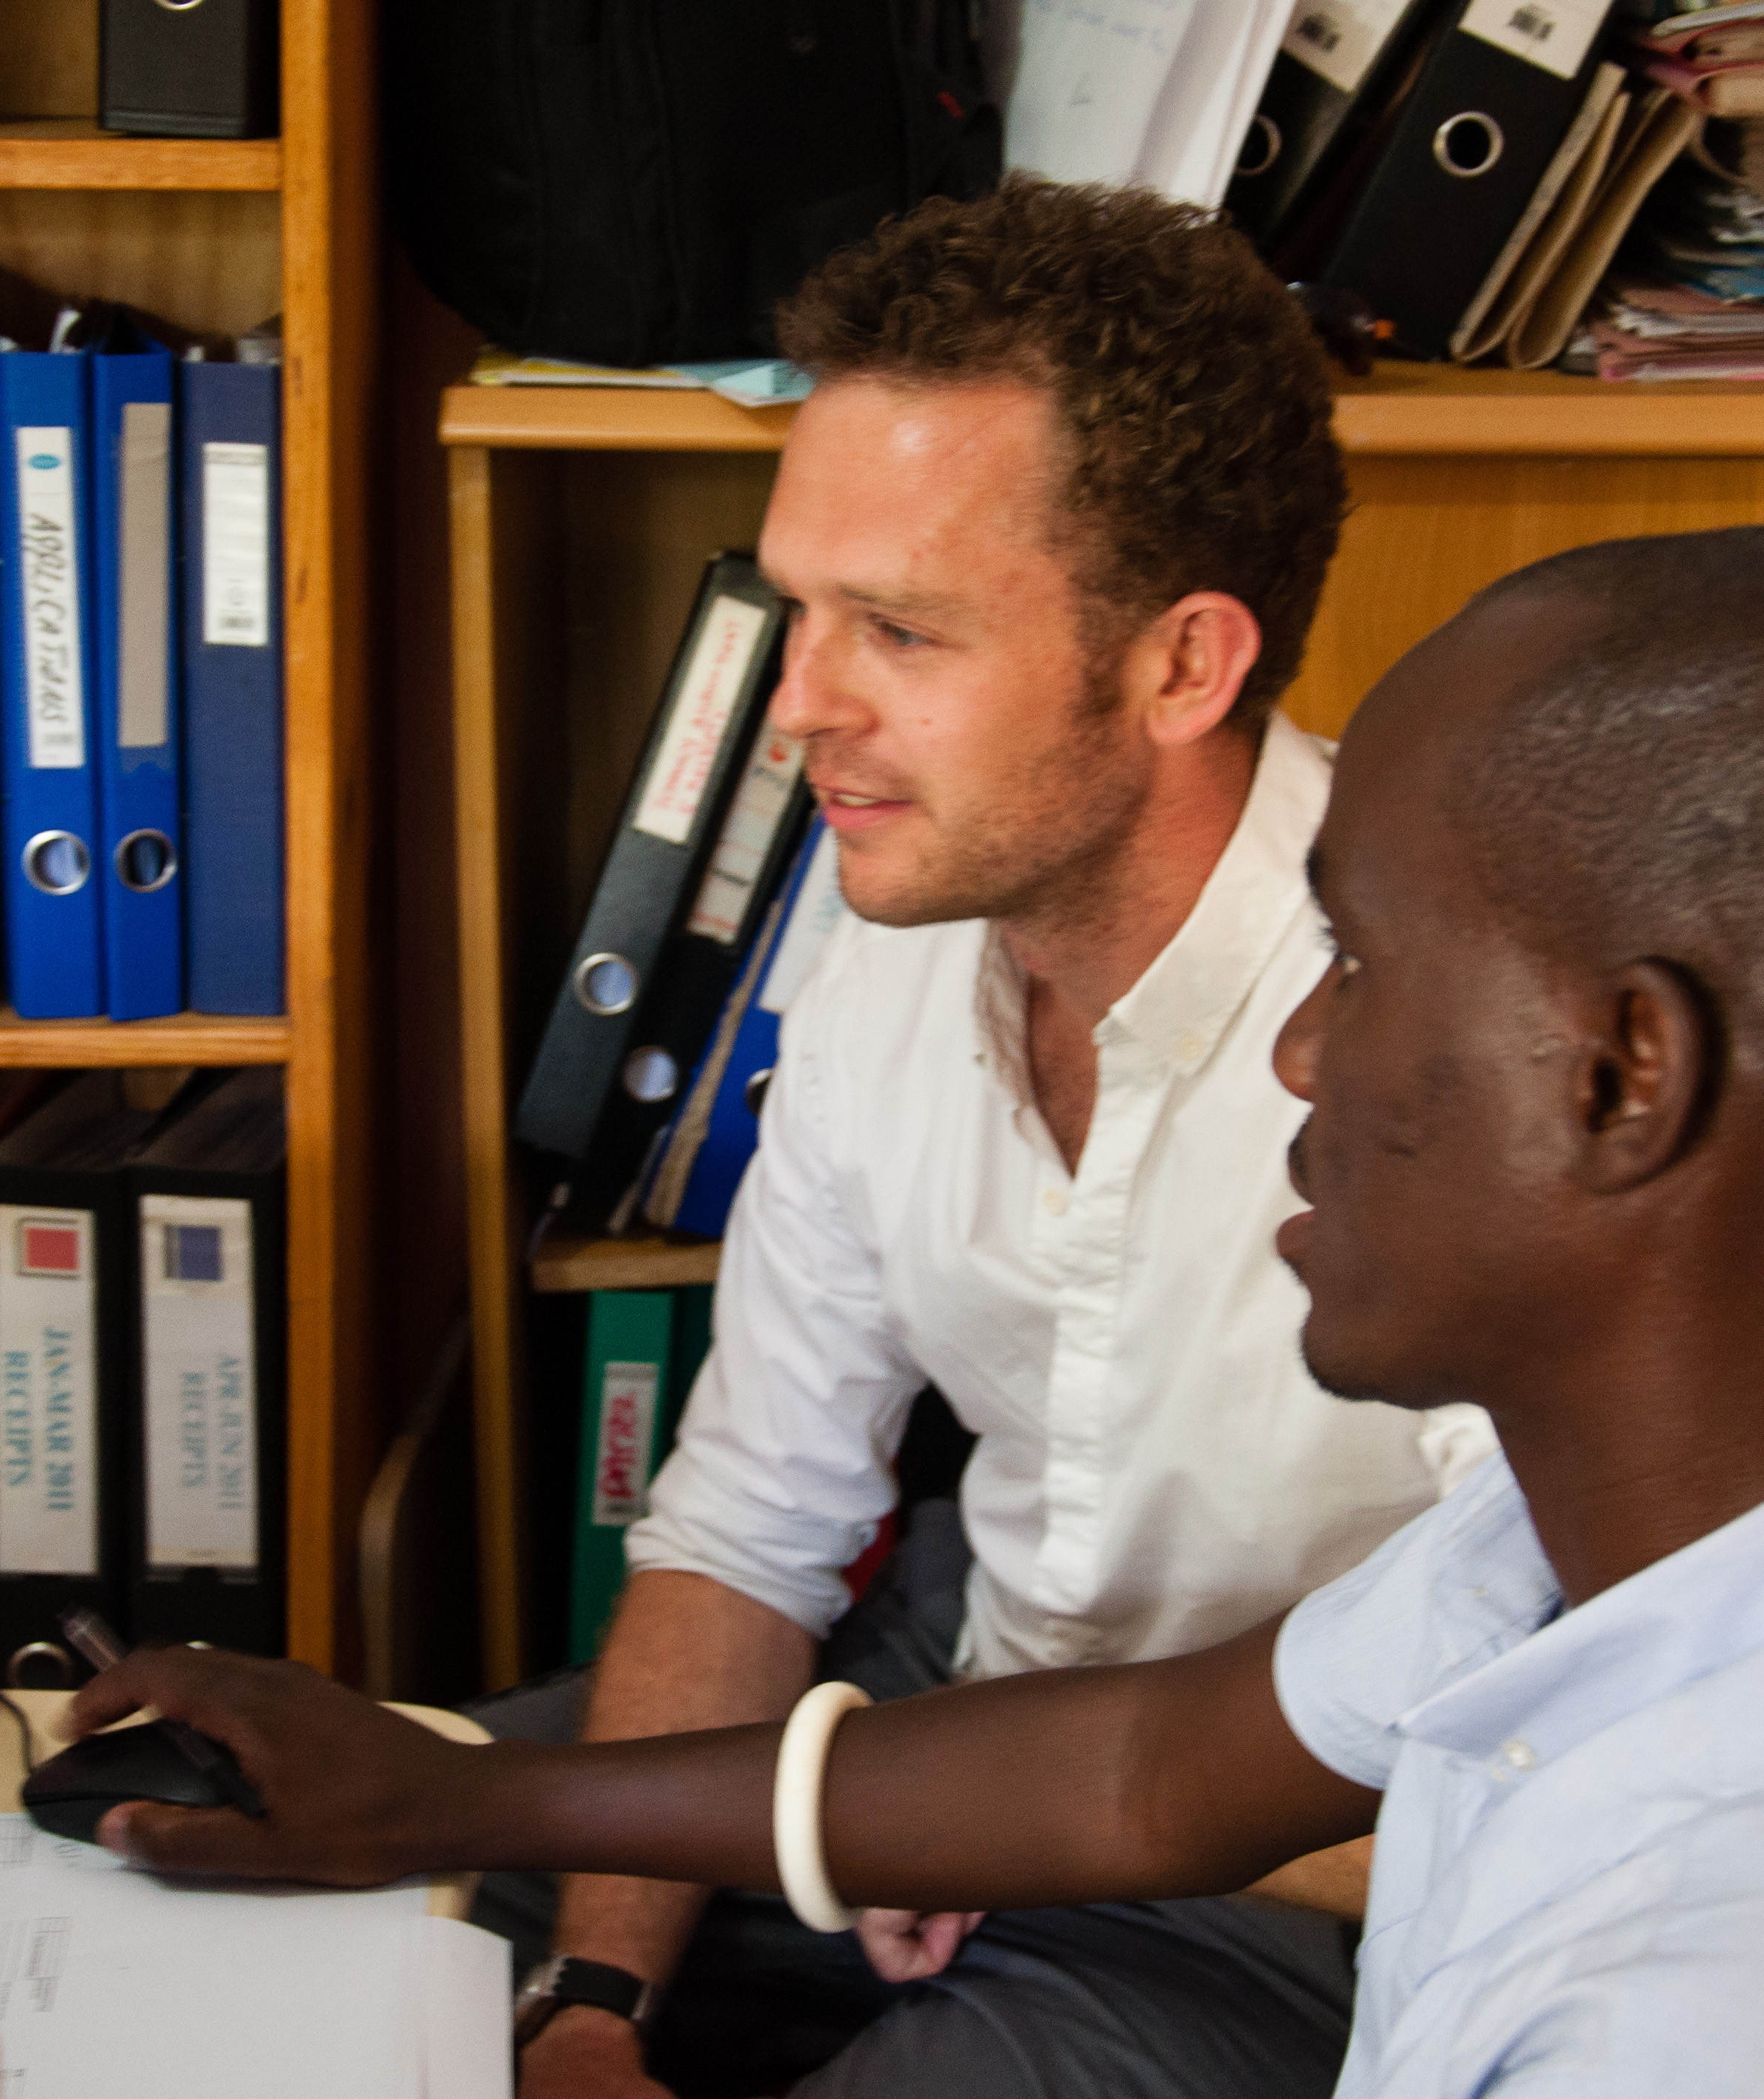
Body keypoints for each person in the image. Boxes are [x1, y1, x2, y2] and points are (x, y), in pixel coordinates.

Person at [69, 521, 1764, 2095]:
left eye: (1363, 962)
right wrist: (460, 1799)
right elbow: (1152, 1768)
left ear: (1623, 1076)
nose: (1307, 1054)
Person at [472, 178, 1487, 2098]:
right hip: (961, 1705)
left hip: (1306, 1877)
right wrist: (595, 2006)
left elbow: (1592, 1769)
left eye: (904, 631)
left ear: (1182, 666)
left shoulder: (1453, 1047)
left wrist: (976, 1818)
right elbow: (748, 1527)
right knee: (340, 1877)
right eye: (800, 612)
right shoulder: (887, 942)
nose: (800, 714)